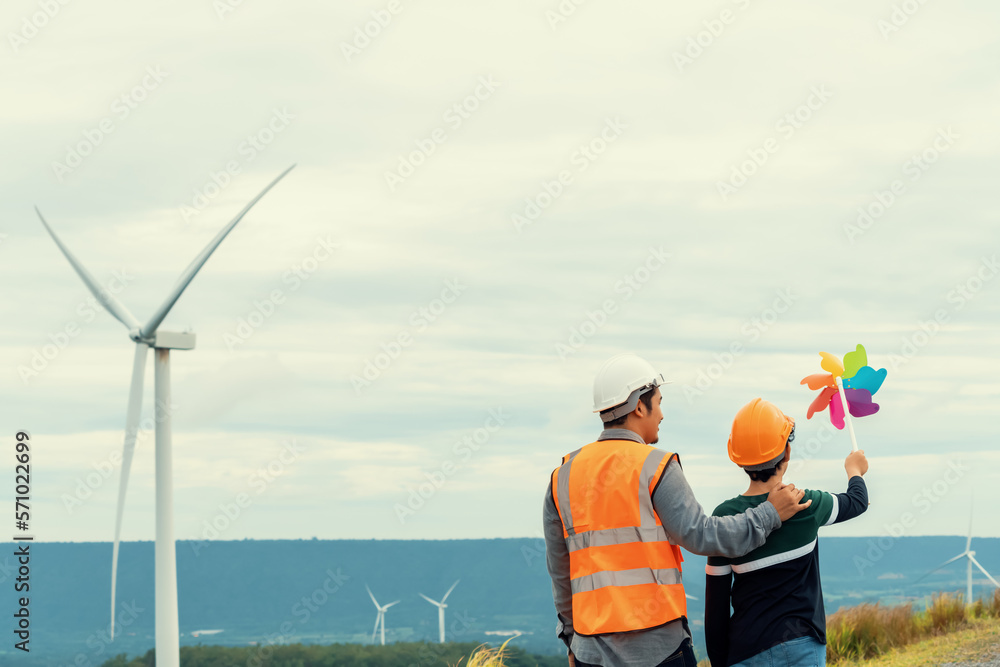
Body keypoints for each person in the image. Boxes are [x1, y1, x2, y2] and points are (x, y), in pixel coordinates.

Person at [543, 354, 813, 667]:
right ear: (639, 407)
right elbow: (703, 536)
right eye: (658, 402)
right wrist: (770, 514)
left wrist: (570, 639)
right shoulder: (655, 466)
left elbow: (560, 571)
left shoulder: (562, 476)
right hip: (659, 650)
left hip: (591, 652)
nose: (661, 414)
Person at [704, 397, 869, 667]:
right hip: (802, 646)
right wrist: (854, 470)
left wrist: (720, 661)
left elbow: (716, 606)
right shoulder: (808, 504)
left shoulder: (724, 517)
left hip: (745, 651)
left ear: (737, 458)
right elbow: (857, 502)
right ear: (787, 453)